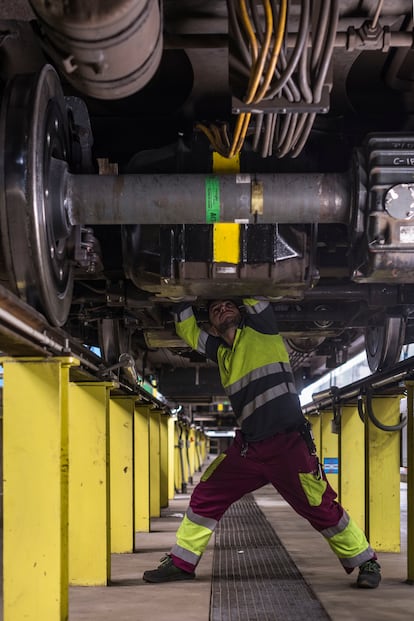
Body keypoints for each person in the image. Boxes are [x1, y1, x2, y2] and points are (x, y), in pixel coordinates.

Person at [143, 297, 381, 588]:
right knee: (206, 492)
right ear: (214, 327)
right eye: (216, 309)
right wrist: (181, 296)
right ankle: (181, 563)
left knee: (320, 505)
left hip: (289, 447)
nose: (221, 309)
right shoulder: (220, 353)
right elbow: (189, 331)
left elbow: (255, 293)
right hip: (249, 450)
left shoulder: (262, 329)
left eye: (228, 305)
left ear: (241, 312)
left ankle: (365, 560)